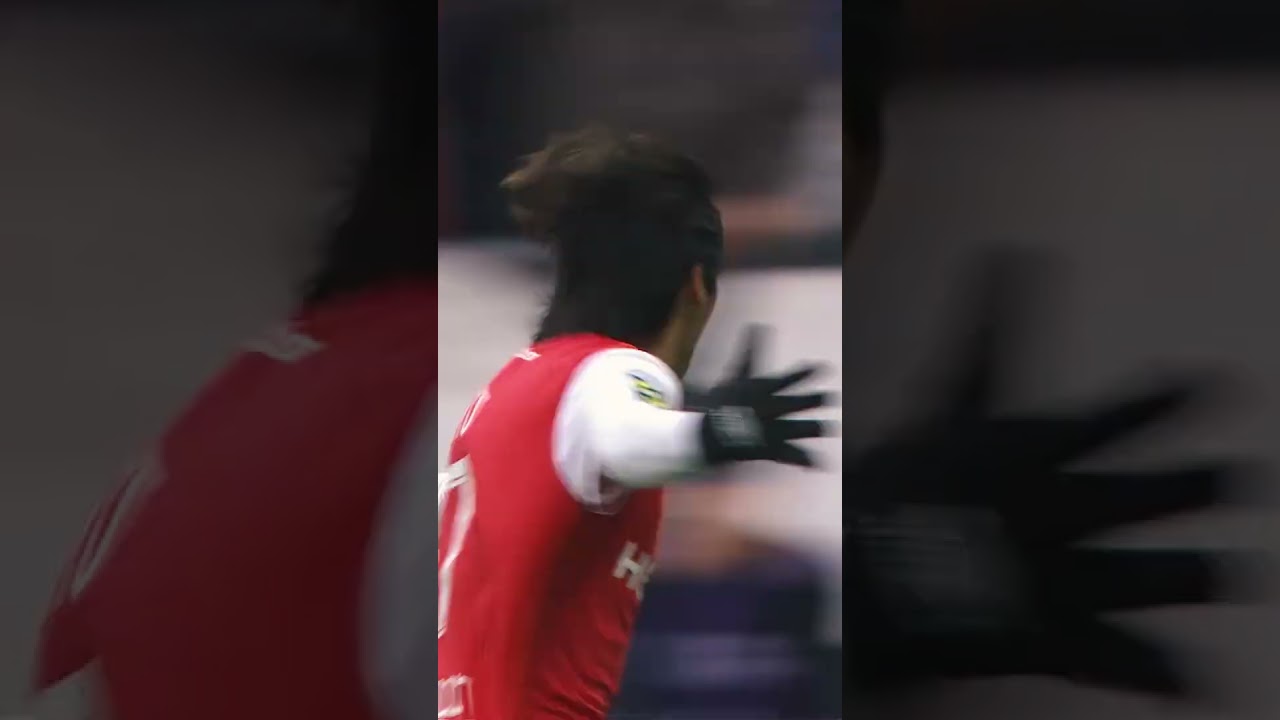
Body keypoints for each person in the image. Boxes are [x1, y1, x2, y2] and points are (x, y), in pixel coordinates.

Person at [436, 126, 834, 719]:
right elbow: (628, 433)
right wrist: (717, 433)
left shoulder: (507, 390)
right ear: (697, 287)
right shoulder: (615, 370)